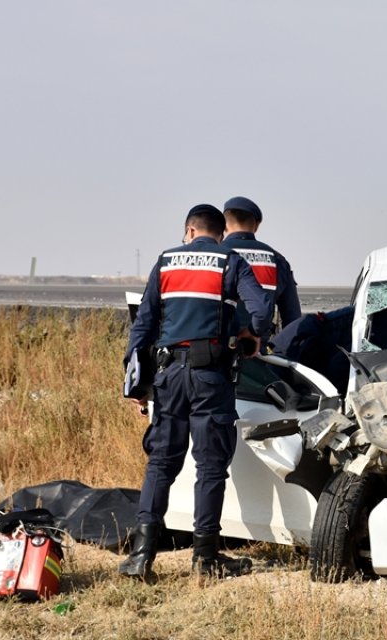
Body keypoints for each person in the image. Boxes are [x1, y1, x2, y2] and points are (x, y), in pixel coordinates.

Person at [120, 204, 276, 580]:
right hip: (210, 377)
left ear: (188, 231)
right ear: (220, 233)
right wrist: (250, 335)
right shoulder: (230, 261)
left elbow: (143, 324)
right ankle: (205, 558)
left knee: (161, 463)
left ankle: (142, 556)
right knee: (209, 468)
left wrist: (136, 386)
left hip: (168, 375)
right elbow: (261, 311)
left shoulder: (166, 262)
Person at [221, 195, 302, 331]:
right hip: (258, 347)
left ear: (224, 224)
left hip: (215, 347)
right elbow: (292, 319)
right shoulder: (277, 260)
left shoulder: (216, 254)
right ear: (257, 225)